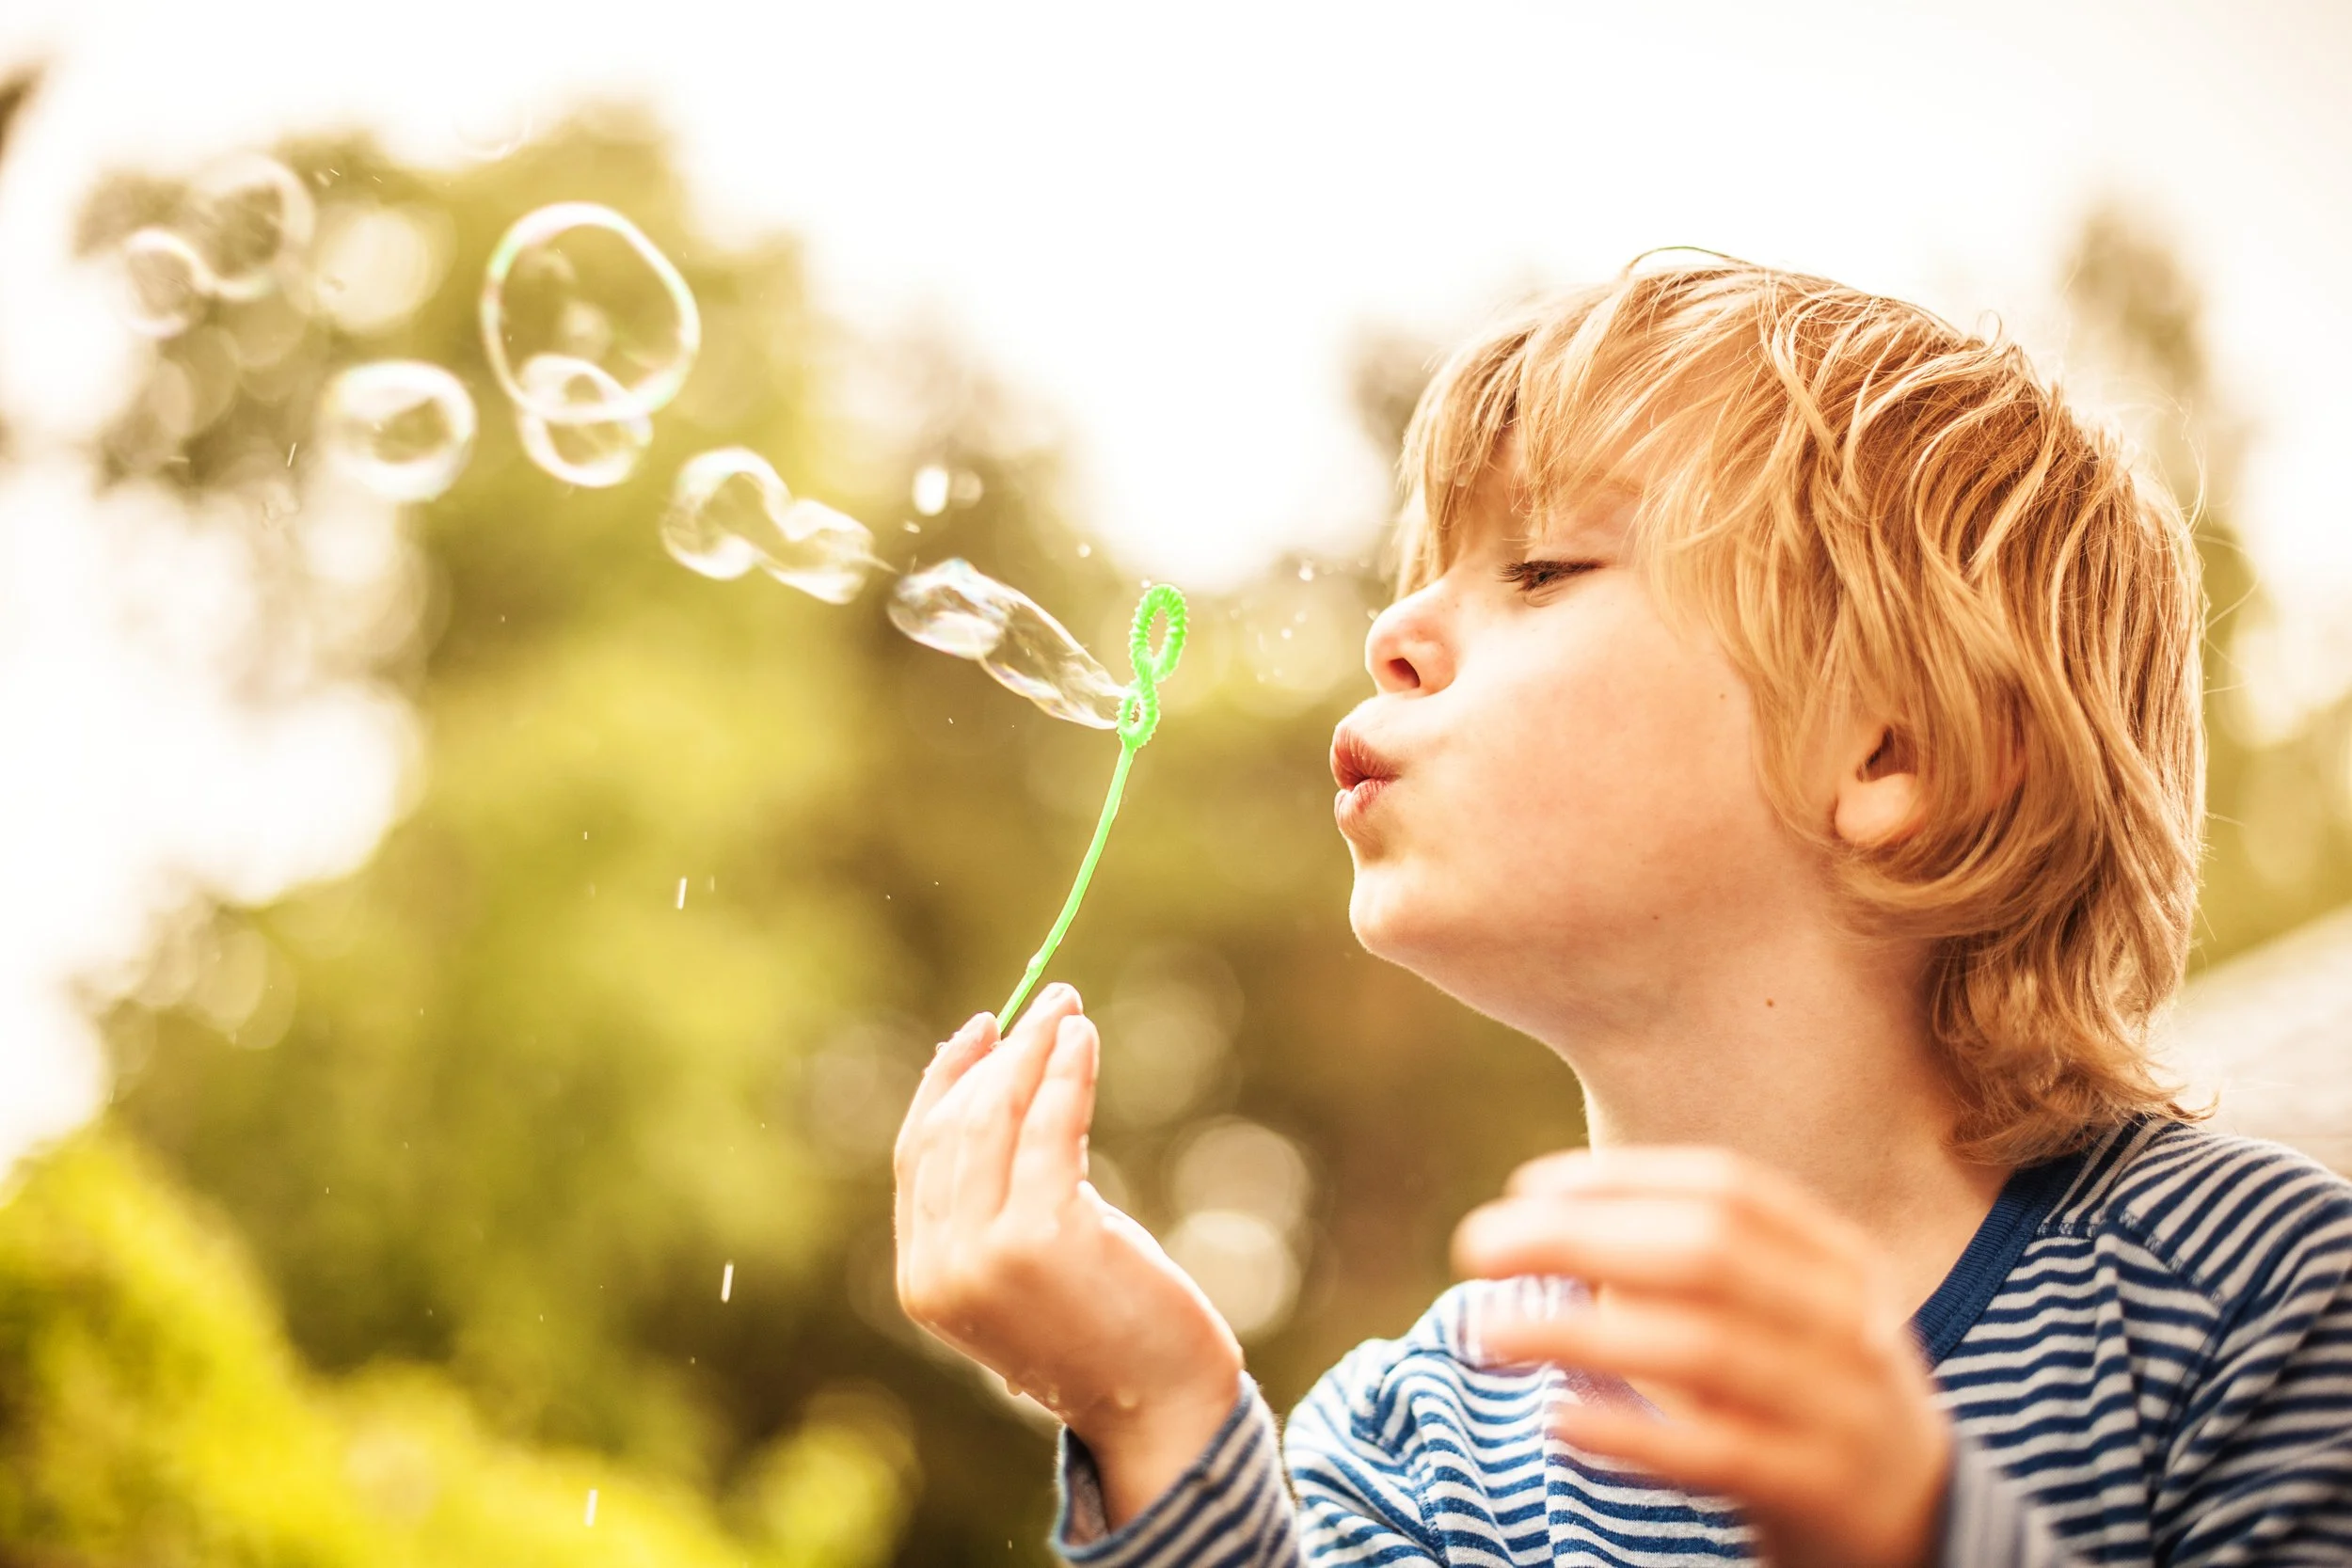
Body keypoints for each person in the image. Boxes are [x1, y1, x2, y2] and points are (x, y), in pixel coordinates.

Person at [890, 259, 2352, 1564]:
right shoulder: (1421, 1449)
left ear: (1888, 751)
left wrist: (1915, 1529)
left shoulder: (2256, 1303)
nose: (1392, 633)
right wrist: (1156, 1408)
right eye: (1420, 581)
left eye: (1540, 568)